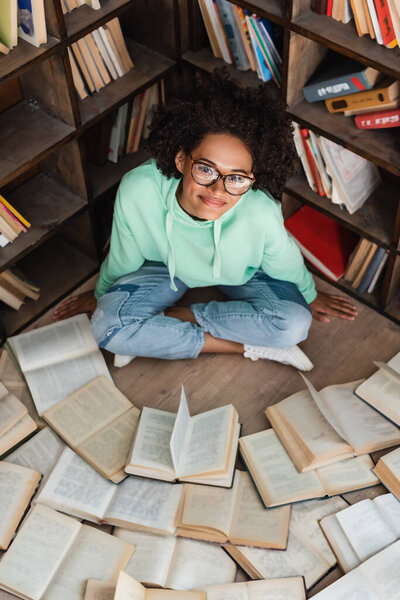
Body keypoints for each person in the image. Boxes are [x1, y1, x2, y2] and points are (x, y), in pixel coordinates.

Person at [53, 72, 357, 370]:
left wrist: (310, 295)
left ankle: (171, 320)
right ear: (182, 160)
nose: (218, 189)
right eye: (206, 169)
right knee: (105, 328)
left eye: (236, 178)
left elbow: (284, 259)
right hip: (162, 264)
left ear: (252, 178)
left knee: (294, 325)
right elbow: (123, 256)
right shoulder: (139, 188)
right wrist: (100, 295)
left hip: (241, 273)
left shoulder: (260, 210)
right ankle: (246, 348)